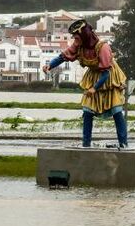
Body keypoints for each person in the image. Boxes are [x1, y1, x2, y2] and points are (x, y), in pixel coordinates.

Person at [42, 18, 128, 148]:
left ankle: (123, 143)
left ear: (85, 35)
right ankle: (86, 144)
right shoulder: (79, 46)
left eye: (77, 37)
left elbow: (106, 72)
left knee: (116, 110)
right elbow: (63, 57)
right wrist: (50, 65)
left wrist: (95, 88)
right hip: (93, 75)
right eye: (74, 38)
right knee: (88, 112)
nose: (75, 41)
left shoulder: (103, 47)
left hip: (109, 77)